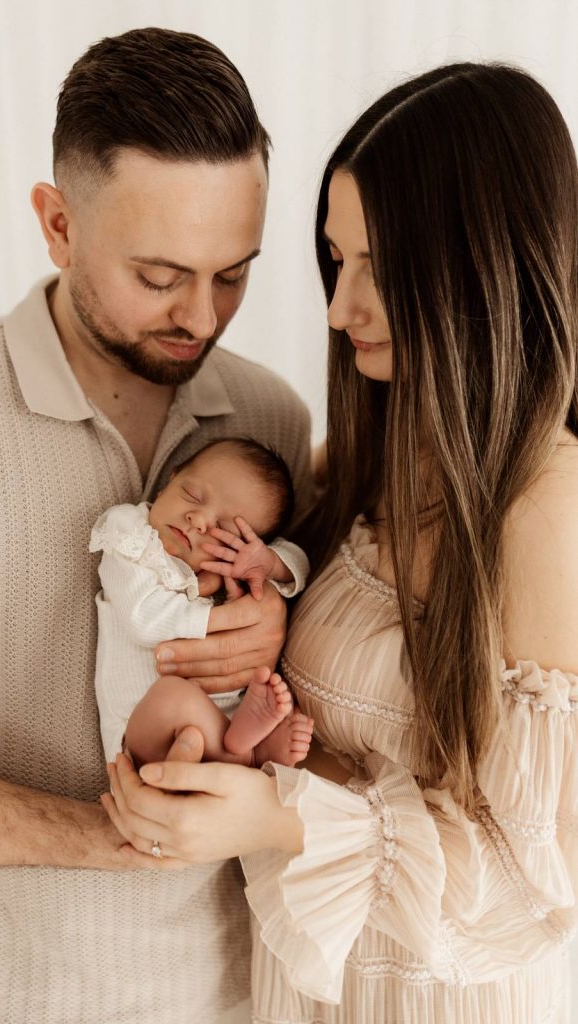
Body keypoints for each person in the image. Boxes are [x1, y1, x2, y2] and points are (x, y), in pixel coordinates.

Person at [104, 63, 578, 1023]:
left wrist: (277, 815)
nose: (337, 309)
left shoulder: (545, 514)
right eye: (335, 260)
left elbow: (534, 879)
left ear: (483, 270)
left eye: (380, 270)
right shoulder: (366, 457)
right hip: (308, 986)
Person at [0, 27, 313, 1024]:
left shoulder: (274, 420)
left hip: (239, 999)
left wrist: (273, 620)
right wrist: (111, 832)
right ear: (57, 223)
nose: (203, 315)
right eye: (159, 276)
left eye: (234, 273)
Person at [90, 437, 314, 770]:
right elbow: (143, 619)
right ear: (172, 479)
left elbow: (299, 563)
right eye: (192, 496)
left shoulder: (230, 568)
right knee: (172, 698)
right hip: (141, 731)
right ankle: (250, 753)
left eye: (223, 532)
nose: (198, 520)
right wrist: (223, 617)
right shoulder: (131, 532)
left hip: (225, 723)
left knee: (284, 703)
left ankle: (244, 742)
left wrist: (268, 563)